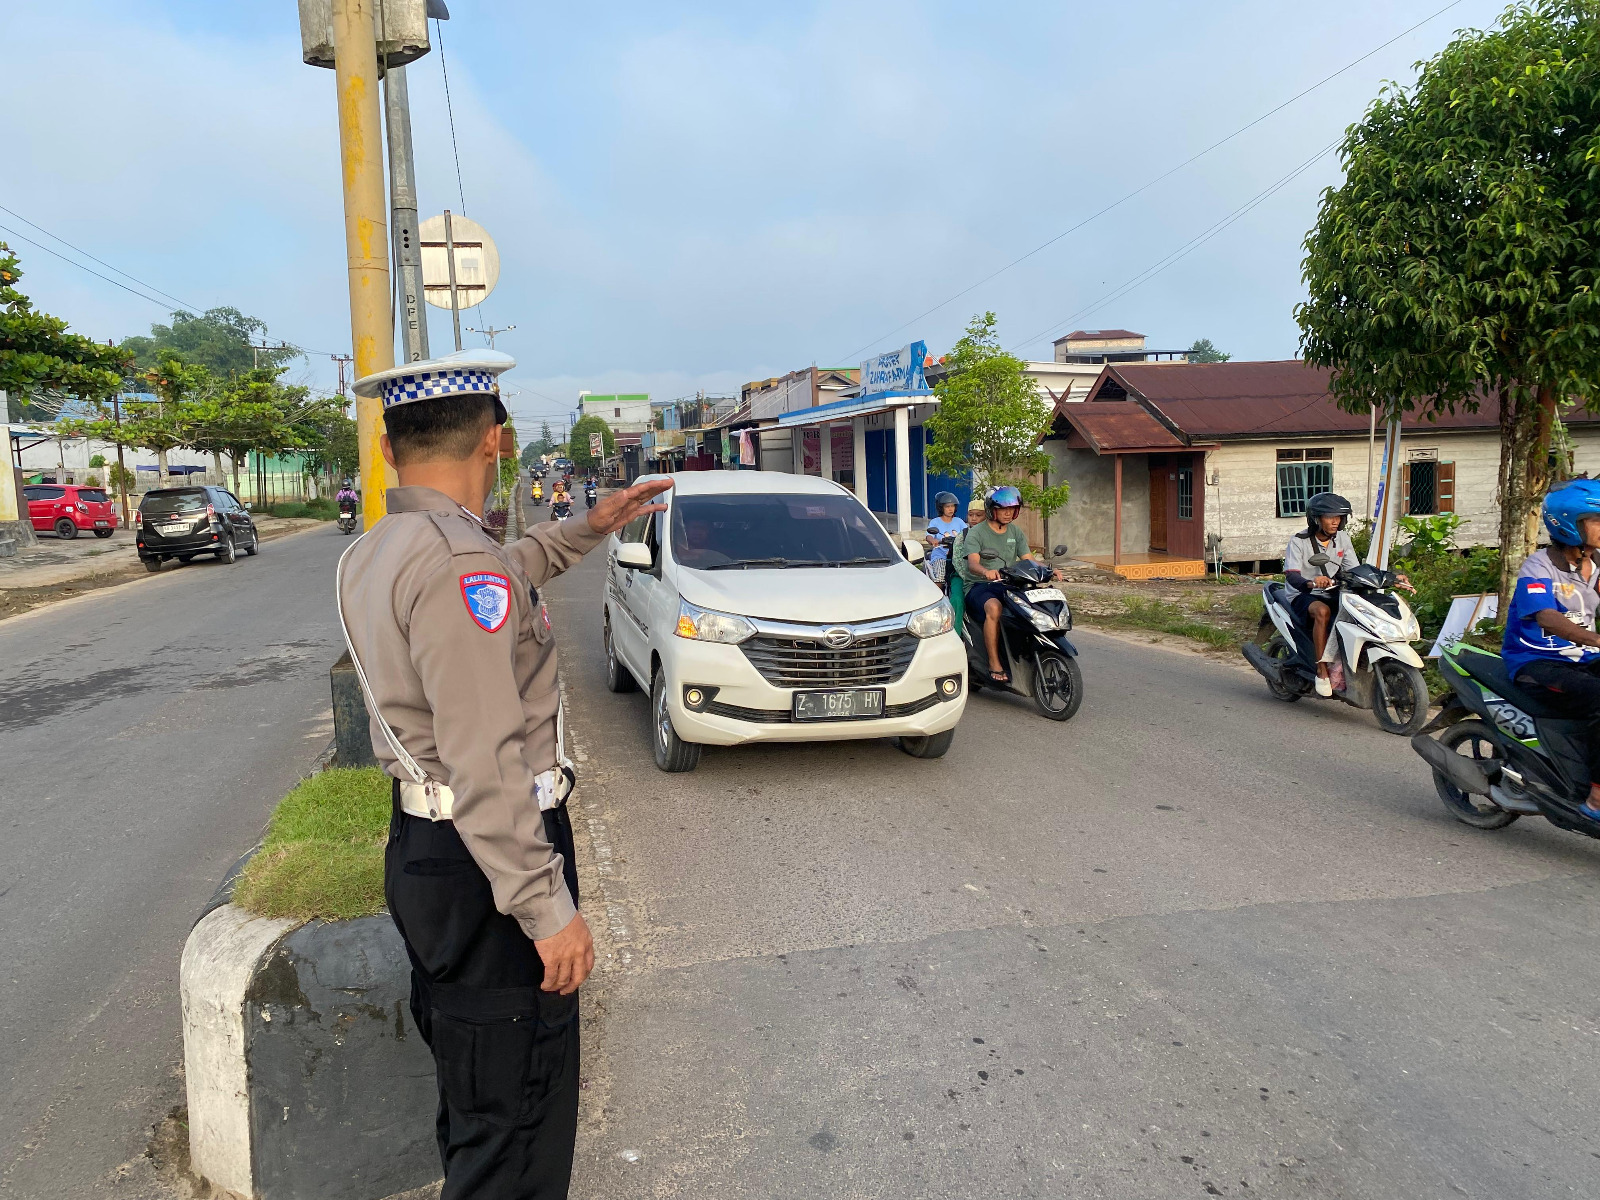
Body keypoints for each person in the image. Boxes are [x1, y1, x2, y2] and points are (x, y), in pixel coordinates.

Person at [338, 348, 670, 1200]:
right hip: (487, 862)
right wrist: (545, 909)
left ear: (389, 449)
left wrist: (590, 525)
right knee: (517, 1127)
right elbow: (485, 758)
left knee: (478, 1101)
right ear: (497, 441)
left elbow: (511, 571)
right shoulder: (460, 565)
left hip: (431, 849)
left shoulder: (386, 548)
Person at [1501, 479, 1600, 818]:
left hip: (1583, 659)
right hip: (1537, 662)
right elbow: (1546, 617)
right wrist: (1596, 639)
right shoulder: (1538, 567)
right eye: (1596, 520)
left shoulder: (1595, 565)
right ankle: (1596, 798)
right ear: (1569, 524)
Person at [959, 485, 1059, 683]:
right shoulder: (976, 533)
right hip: (980, 586)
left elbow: (1028, 558)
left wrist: (1049, 569)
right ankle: (994, 663)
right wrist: (986, 571)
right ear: (991, 510)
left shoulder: (1015, 531)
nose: (1008, 513)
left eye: (1012, 509)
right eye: (1003, 509)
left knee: (1032, 607)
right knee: (994, 608)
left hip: (1009, 584)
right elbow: (973, 563)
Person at [1282, 492, 1362, 697]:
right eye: (1329, 517)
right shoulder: (1299, 541)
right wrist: (1310, 582)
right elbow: (1292, 575)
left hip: (1331, 590)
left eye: (1339, 517)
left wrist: (1391, 577)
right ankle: (1322, 670)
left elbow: (1355, 570)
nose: (1336, 521)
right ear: (1316, 519)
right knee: (1322, 612)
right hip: (1302, 594)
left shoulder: (1342, 538)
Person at [923, 491, 967, 579]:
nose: (951, 509)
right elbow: (929, 536)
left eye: (952, 506)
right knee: (940, 577)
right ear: (941, 508)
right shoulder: (935, 522)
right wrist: (933, 540)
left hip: (957, 555)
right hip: (940, 555)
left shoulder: (959, 521)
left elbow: (967, 534)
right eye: (947, 506)